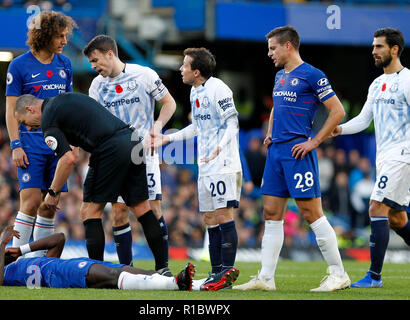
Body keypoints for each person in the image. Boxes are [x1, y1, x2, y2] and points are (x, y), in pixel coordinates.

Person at [233, 26, 350, 292]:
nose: (269, 53)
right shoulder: (279, 76)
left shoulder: (312, 75)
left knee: (311, 213)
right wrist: (270, 132)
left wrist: (314, 141)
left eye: (273, 48)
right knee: (271, 213)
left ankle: (338, 273)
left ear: (288, 46)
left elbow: (337, 111)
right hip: (276, 153)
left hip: (299, 152)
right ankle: (266, 278)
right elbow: (277, 106)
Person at [12, 92, 170, 276]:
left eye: (24, 122)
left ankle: (96, 273)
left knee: (89, 211)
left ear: (30, 109)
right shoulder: (63, 99)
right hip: (132, 140)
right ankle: (163, 269)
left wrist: (53, 192)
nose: (29, 129)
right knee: (142, 208)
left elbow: (68, 158)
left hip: (109, 148)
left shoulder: (48, 119)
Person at [83, 35, 176, 272]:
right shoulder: (96, 86)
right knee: (119, 211)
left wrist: (156, 129)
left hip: (143, 153)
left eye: (95, 60)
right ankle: (127, 269)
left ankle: (162, 269)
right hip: (115, 156)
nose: (93, 67)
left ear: (110, 54)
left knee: (153, 208)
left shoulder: (144, 75)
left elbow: (169, 103)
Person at [152, 47, 241, 291]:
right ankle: (215, 273)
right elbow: (197, 128)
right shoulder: (194, 91)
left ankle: (226, 273)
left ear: (197, 71)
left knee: (224, 215)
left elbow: (233, 123)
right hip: (205, 164)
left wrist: (219, 149)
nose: (181, 69)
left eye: (184, 65)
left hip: (222, 163)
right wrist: (167, 138)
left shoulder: (219, 89)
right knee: (209, 218)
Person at [331, 28, 410, 288]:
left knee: (376, 207)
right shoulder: (377, 84)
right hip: (385, 157)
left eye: (379, 46)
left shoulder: (407, 80)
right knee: (396, 218)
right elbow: (365, 120)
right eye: (373, 46)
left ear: (394, 49)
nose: (373, 51)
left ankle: (374, 277)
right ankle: (375, 276)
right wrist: (340, 129)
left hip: (403, 155)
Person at [5, 11, 77, 256]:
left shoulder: (65, 64)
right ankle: (15, 261)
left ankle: (36, 262)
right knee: (31, 202)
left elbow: (68, 106)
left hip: (58, 143)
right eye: (59, 36)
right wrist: (16, 144)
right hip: (30, 142)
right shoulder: (19, 65)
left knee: (49, 205)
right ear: (45, 36)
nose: (65, 41)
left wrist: (73, 140)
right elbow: (10, 109)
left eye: (65, 36)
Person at [0, 225, 195, 291]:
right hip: (60, 274)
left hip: (64, 266)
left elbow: (59, 238)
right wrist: (1, 245)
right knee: (114, 275)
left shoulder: (23, 262)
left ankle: (181, 282)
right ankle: (174, 285)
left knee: (124, 269)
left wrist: (22, 250)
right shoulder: (5, 275)